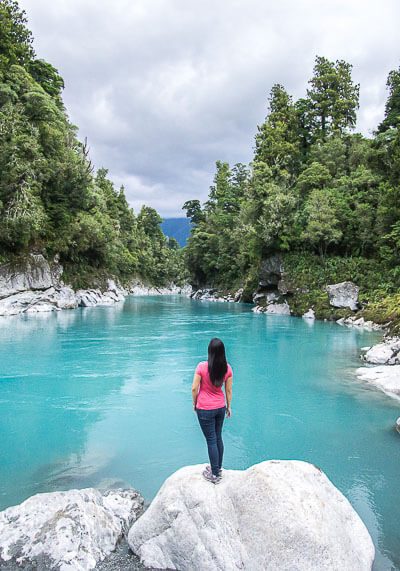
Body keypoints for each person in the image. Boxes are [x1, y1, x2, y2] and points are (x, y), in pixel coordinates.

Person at [192, 338, 233, 484]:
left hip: (205, 408)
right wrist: (229, 407)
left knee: (211, 439)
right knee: (218, 437)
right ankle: (218, 468)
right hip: (220, 407)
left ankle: (214, 474)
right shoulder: (227, 368)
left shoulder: (202, 367)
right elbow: (228, 390)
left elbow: (194, 388)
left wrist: (194, 403)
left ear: (210, 351)